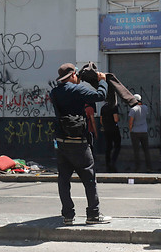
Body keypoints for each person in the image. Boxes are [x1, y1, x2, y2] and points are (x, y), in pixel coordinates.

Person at [49, 62, 111, 225]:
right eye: (75, 74)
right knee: (89, 178)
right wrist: (103, 81)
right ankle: (93, 215)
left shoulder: (54, 92)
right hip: (79, 143)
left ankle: (68, 215)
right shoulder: (77, 89)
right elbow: (100, 96)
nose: (77, 77)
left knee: (63, 180)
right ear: (71, 76)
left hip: (62, 142)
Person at [128, 94, 152, 171]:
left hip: (135, 132)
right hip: (144, 131)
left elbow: (131, 122)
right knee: (146, 150)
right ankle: (149, 167)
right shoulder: (145, 108)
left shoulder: (133, 109)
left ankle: (137, 168)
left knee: (136, 151)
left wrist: (130, 130)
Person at [100, 101, 121, 172]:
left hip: (106, 129)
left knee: (108, 146)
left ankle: (107, 164)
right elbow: (116, 119)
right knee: (117, 145)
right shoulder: (114, 107)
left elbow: (101, 120)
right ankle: (113, 161)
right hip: (114, 129)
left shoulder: (103, 107)